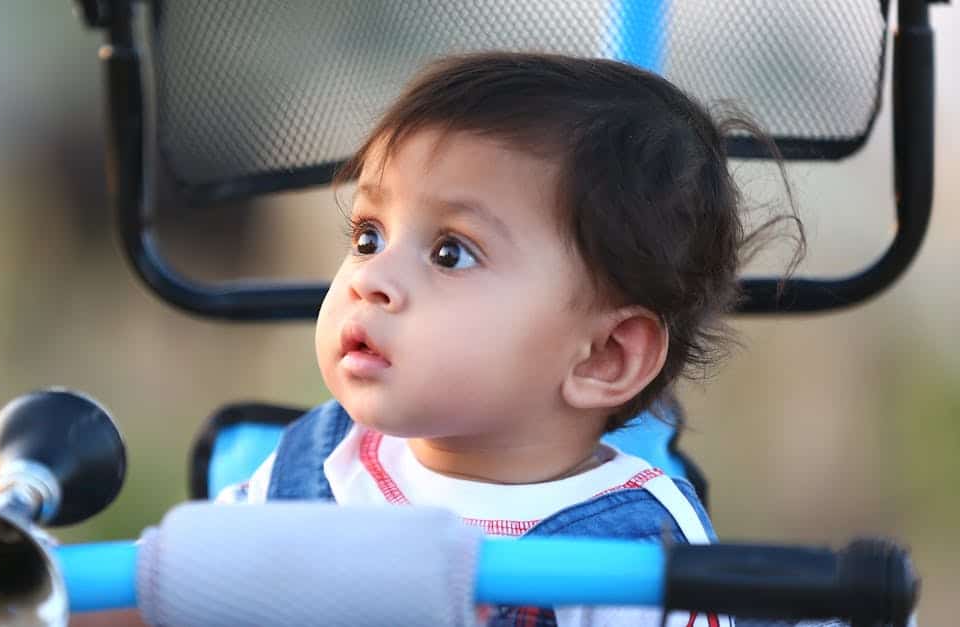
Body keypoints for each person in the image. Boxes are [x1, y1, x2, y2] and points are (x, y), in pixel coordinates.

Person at [215, 51, 804, 627]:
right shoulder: (313, 464)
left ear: (604, 357)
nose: (372, 279)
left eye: (451, 253)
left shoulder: (636, 556)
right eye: (369, 236)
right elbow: (176, 596)